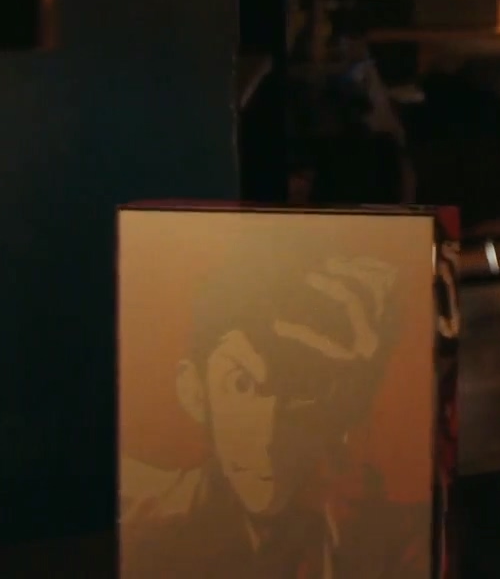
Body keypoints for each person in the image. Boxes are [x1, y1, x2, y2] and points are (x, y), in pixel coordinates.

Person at [119, 239, 427, 578]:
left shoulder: (393, 537)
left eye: (301, 388)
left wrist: (356, 410)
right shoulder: (130, 518)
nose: (268, 438)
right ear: (194, 392)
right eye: (241, 384)